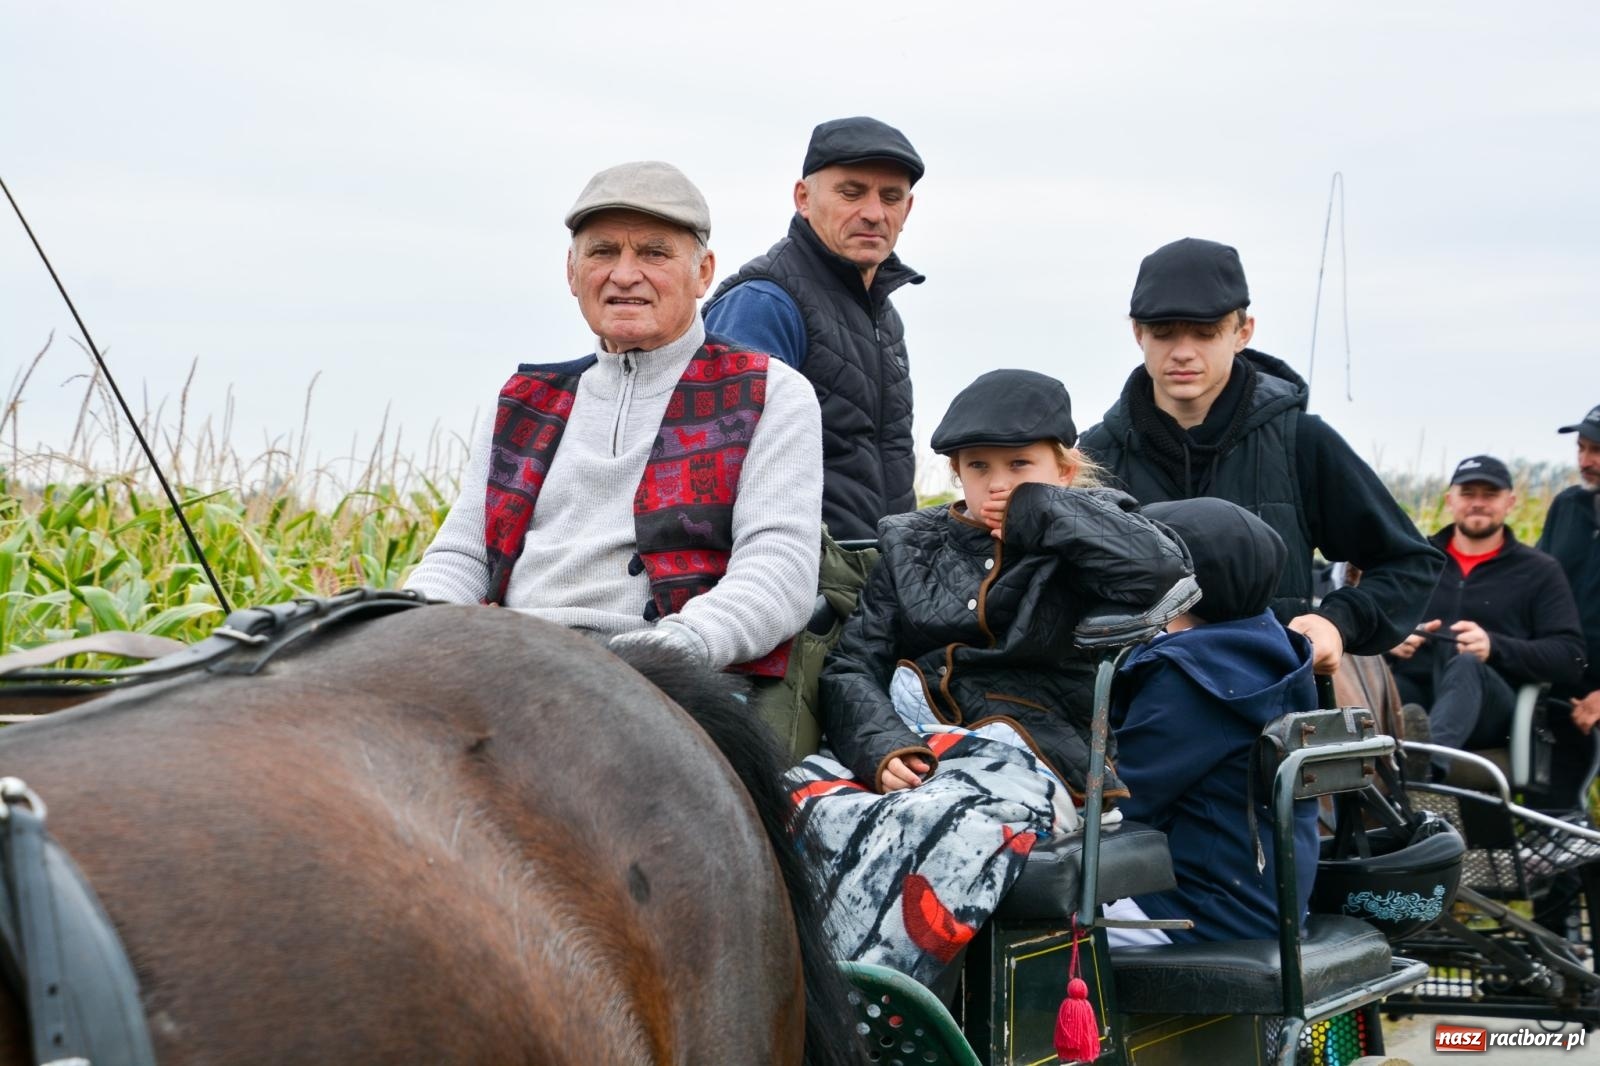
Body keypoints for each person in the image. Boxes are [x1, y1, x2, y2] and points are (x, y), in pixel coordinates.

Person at [787, 369, 1192, 986]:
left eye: (1020, 465)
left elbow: (1162, 572)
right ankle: (799, 988)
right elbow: (853, 665)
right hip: (915, 742)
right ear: (957, 472)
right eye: (979, 467)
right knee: (791, 795)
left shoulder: (1090, 535)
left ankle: (880, 999)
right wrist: (882, 747)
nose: (998, 483)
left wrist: (1044, 512)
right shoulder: (910, 543)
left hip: (1036, 756)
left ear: (1064, 469)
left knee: (943, 824)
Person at [405, 161, 823, 673]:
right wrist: (405, 629)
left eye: (654, 253)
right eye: (602, 252)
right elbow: (463, 558)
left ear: (703, 273)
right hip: (511, 663)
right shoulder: (524, 402)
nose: (624, 275)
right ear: (572, 271)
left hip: (671, 674)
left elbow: (778, 571)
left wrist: (668, 651)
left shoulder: (769, 393)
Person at [1079, 237, 1444, 675]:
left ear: (1243, 332)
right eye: (1163, 332)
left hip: (1273, 697)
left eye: (1205, 332)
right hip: (1126, 705)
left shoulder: (1301, 441)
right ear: (1138, 333)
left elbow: (1409, 562)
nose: (1183, 351)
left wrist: (1337, 623)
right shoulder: (1093, 459)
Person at [703, 116, 925, 540]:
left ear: (908, 209)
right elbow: (718, 469)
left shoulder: (883, 315)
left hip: (875, 568)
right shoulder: (764, 303)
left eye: (891, 197)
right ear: (803, 198)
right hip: (793, 569)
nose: (874, 213)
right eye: (851, 193)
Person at [1107, 497, 1317, 945]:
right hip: (1265, 904)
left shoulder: (1188, 676)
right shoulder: (1271, 649)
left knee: (1014, 910)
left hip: (1198, 912)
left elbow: (1120, 801)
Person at [1387, 455, 1586, 774]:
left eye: (1490, 494)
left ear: (1510, 502)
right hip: (1414, 696)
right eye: (1468, 493)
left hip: (1490, 708)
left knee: (1467, 664)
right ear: (1449, 500)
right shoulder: (1417, 562)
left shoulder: (1539, 571)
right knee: (1382, 685)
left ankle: (1427, 773)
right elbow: (1370, 628)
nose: (1478, 503)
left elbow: (1570, 657)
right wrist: (1392, 640)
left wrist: (1494, 647)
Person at [1538, 404, 1600, 738]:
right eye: (1581, 448)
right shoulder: (1566, 506)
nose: (1585, 461)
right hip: (1560, 694)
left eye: (1597, 450)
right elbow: (1528, 585)